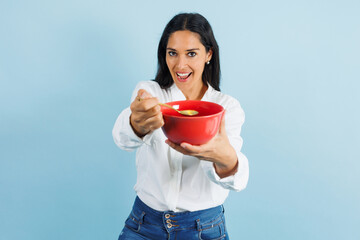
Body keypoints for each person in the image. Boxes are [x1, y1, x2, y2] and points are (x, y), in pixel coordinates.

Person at [112, 12, 249, 240]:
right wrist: (136, 124)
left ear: (209, 54)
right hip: (144, 224)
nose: (180, 64)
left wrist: (225, 159)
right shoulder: (151, 94)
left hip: (203, 229)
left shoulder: (226, 108)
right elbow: (122, 138)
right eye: (172, 53)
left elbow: (237, 179)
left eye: (191, 54)